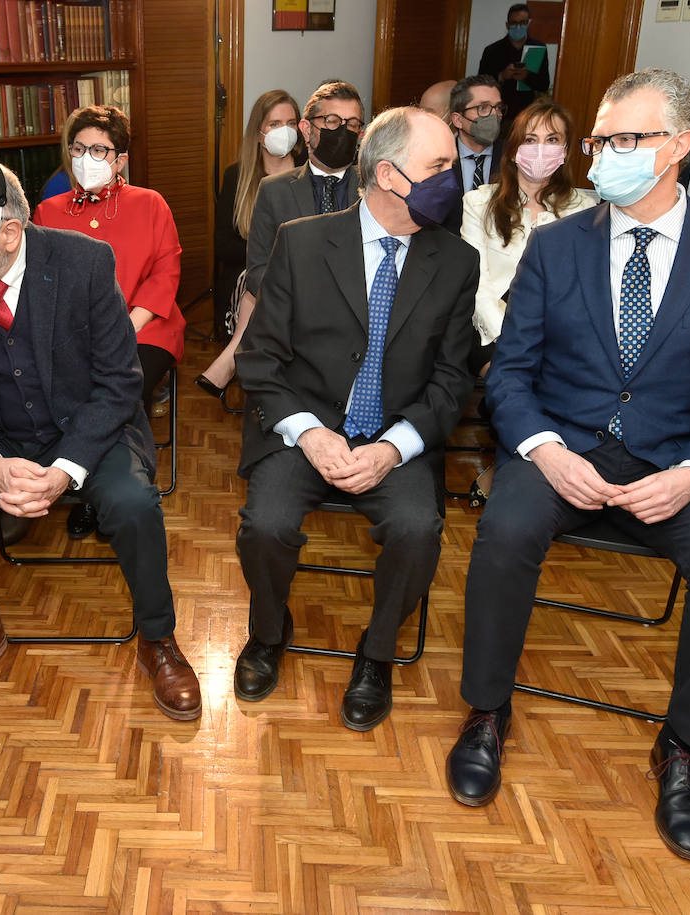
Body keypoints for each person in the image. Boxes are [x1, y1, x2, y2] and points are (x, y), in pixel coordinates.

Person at [447, 69, 690, 862]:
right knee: (502, 532)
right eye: (600, 140)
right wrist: (545, 451)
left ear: (675, 146)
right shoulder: (558, 244)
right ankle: (487, 709)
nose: (602, 154)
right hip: (563, 445)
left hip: (677, 455)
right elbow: (513, 373)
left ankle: (683, 747)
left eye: (623, 139)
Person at [0, 156, 202, 722]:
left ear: (10, 233)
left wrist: (65, 469)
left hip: (85, 426)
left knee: (134, 502)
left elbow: (120, 384)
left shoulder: (86, 263)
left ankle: (158, 636)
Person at [233, 106, 476, 732]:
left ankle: (376, 653)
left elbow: (453, 380)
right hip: (304, 428)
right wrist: (309, 433)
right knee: (266, 523)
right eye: (441, 166)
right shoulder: (304, 240)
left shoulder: (455, 261)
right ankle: (267, 631)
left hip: (395, 434)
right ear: (391, 175)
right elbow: (259, 357)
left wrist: (395, 447)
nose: (455, 178)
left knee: (418, 529)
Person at [32, 105, 185, 540]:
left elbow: (165, 272)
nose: (87, 157)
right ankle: (86, 486)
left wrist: (124, 330)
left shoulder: (150, 204)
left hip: (145, 327)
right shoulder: (47, 211)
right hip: (71, 335)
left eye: (100, 149)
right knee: (66, 387)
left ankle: (116, 491)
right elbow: (42, 285)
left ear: (120, 159)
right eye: (79, 147)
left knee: (119, 387)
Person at [460, 97, 596, 375]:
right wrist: (513, 339)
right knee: (511, 378)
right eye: (531, 140)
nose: (541, 149)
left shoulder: (584, 209)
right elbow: (478, 285)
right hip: (491, 329)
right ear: (513, 150)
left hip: (558, 334)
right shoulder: (478, 203)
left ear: (566, 151)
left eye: (553, 139)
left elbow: (582, 289)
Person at [198, 89, 305, 399]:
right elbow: (223, 247)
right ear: (259, 132)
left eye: (291, 122)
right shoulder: (238, 176)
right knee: (258, 277)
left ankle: (234, 354)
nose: (283, 131)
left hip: (304, 278)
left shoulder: (310, 174)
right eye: (274, 123)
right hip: (247, 281)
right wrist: (267, 256)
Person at [243, 80, 365, 301]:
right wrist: (297, 308)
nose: (342, 130)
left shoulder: (373, 187)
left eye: (352, 124)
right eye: (332, 121)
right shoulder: (273, 191)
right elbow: (257, 271)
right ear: (306, 130)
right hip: (292, 319)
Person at [444, 75, 504, 233]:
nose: (494, 115)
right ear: (458, 120)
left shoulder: (513, 158)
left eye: (498, 107)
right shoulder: (439, 159)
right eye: (483, 108)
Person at [477, 4, 549, 125]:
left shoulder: (538, 48)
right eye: (514, 23)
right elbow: (481, 82)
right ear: (507, 25)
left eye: (523, 22)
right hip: (498, 113)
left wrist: (526, 76)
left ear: (528, 24)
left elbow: (544, 84)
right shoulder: (492, 51)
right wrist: (501, 76)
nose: (518, 27)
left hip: (527, 114)